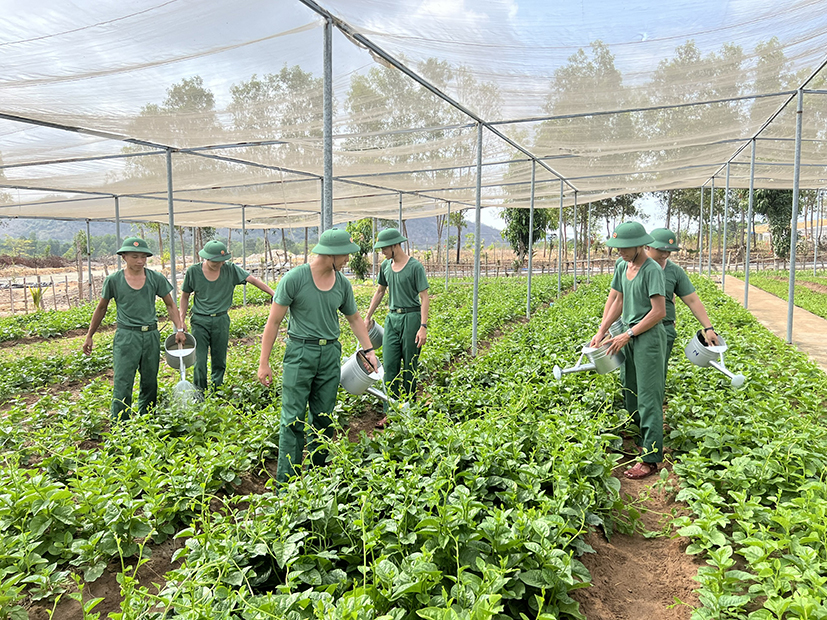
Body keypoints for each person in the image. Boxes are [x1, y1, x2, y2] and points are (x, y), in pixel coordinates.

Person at [257, 229, 379, 484]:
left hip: (330, 354)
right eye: (345, 254)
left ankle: (318, 476)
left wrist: (369, 350)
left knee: (324, 415)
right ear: (331, 253)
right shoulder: (295, 279)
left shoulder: (342, 284)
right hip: (300, 352)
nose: (348, 259)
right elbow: (274, 322)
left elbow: (354, 318)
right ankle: (287, 483)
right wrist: (264, 362)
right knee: (292, 418)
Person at [590, 222, 666, 479]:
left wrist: (629, 333)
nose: (619, 252)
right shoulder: (623, 266)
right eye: (616, 248)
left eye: (624, 248)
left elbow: (659, 312)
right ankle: (637, 437)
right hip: (628, 335)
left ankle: (651, 458)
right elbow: (619, 300)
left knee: (648, 396)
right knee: (629, 389)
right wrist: (602, 330)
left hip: (648, 339)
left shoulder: (652, 270)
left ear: (639, 245)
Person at [83, 236, 186, 421]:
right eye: (135, 256)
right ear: (124, 257)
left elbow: (170, 304)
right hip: (126, 336)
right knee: (123, 381)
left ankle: (147, 419)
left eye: (143, 257)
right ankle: (120, 424)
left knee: (150, 381)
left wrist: (179, 328)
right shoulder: (114, 280)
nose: (140, 261)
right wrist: (90, 335)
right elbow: (101, 307)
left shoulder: (155, 278)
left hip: (151, 335)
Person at [179, 240, 274, 395]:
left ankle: (217, 392)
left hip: (221, 320)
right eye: (215, 261)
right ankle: (200, 394)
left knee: (219, 359)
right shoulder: (194, 272)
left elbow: (253, 280)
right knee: (199, 361)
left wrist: (274, 294)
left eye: (222, 261)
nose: (219, 264)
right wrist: (181, 320)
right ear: (207, 258)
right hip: (200, 320)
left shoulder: (230, 269)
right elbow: (185, 296)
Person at [363, 228, 429, 426]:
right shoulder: (385, 266)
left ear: (394, 245)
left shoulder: (415, 267)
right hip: (392, 318)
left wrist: (423, 326)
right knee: (390, 365)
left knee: (410, 365)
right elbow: (380, 291)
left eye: (384, 248)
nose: (382, 252)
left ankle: (409, 410)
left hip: (412, 318)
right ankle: (390, 412)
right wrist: (367, 317)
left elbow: (424, 297)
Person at [646, 228, 720, 378]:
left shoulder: (675, 272)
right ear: (647, 246)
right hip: (634, 327)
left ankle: (656, 399)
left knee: (657, 374)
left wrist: (708, 327)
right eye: (661, 250)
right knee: (632, 373)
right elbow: (617, 298)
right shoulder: (632, 267)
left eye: (669, 251)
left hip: (663, 329)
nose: (665, 255)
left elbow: (692, 300)